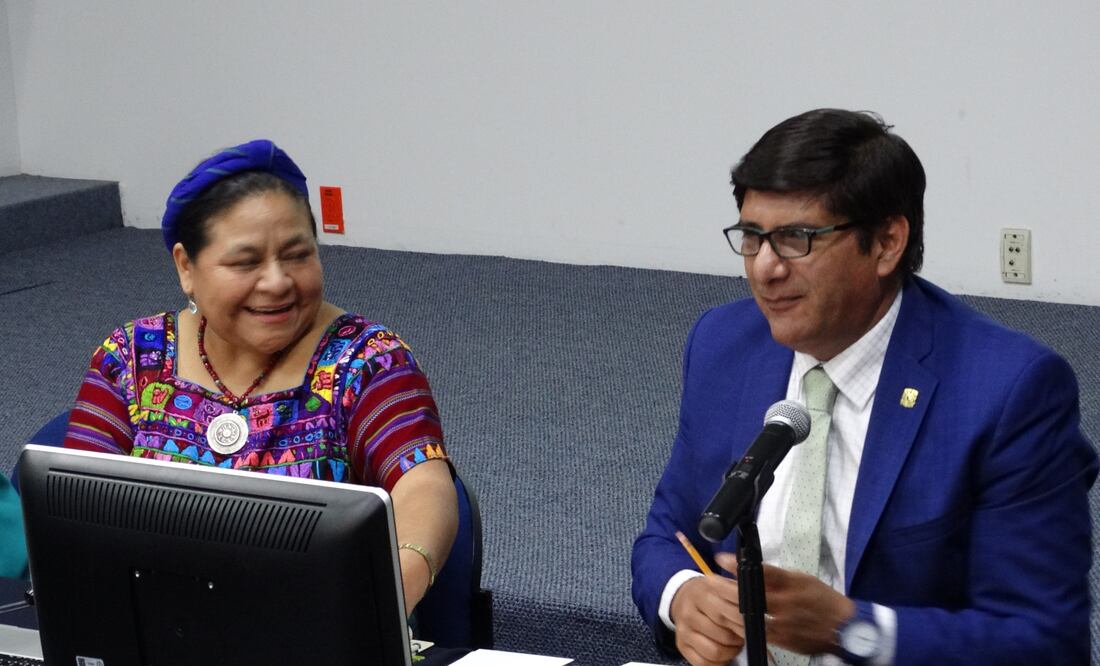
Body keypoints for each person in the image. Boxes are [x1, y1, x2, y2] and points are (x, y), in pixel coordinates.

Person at [631, 109, 1097, 665]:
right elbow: (666, 537)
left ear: (886, 243)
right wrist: (680, 597)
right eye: (752, 237)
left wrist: (852, 630)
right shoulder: (724, 344)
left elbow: (1046, 641)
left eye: (796, 238)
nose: (765, 269)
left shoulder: (1007, 391)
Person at [64, 139, 457, 615]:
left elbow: (422, 484)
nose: (277, 282)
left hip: (317, 622)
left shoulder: (367, 361)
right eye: (246, 262)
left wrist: (391, 591)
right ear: (186, 267)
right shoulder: (131, 358)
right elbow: (71, 507)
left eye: (297, 255)